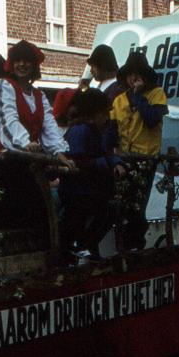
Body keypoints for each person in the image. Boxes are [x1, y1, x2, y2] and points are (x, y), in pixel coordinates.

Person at [58, 89, 125, 263]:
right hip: (78, 191)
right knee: (90, 217)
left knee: (107, 212)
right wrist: (103, 164)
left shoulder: (93, 131)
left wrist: (116, 162)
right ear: (95, 114)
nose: (106, 118)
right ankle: (81, 248)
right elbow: (79, 159)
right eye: (104, 114)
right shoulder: (80, 131)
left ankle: (86, 248)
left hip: (89, 190)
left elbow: (104, 153)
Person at [111, 51, 169, 250]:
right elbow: (111, 130)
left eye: (138, 74)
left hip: (144, 158)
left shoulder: (156, 94)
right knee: (121, 205)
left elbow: (152, 119)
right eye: (130, 75)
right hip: (123, 159)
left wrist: (138, 97)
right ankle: (124, 247)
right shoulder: (118, 100)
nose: (134, 78)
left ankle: (136, 245)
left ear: (145, 76)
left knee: (137, 205)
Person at [0, 40, 73, 167]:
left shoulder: (40, 96)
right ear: (12, 64)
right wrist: (25, 142)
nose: (22, 64)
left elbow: (49, 126)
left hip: (29, 161)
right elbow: (7, 119)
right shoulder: (4, 86)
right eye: (18, 61)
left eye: (27, 61)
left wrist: (59, 152)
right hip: (6, 161)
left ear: (33, 65)